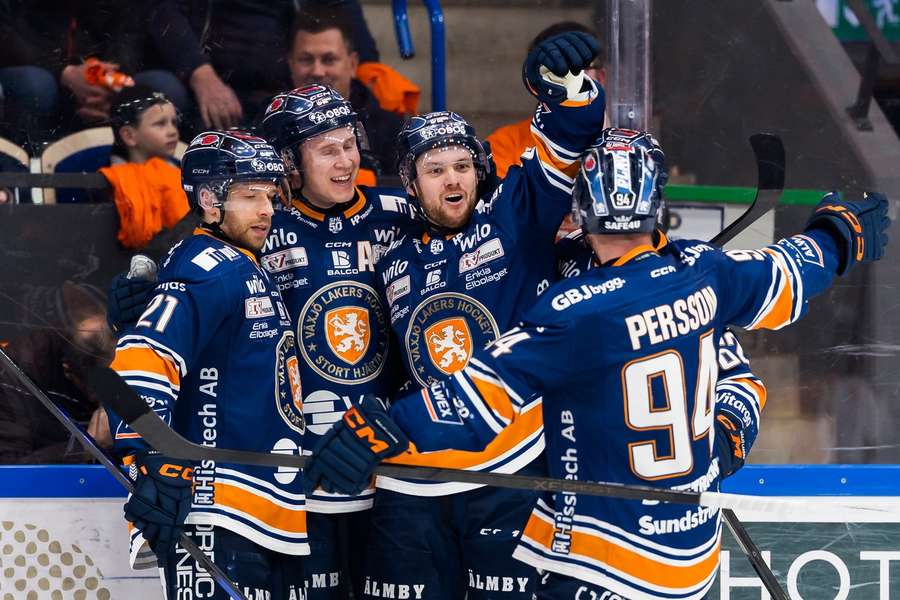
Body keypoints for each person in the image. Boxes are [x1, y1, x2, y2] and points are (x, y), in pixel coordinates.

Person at [305, 128, 891, 600]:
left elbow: (475, 400)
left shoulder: (575, 310)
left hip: (601, 554)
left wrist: (380, 429)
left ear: (582, 208)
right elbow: (791, 271)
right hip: (690, 551)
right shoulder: (705, 271)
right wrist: (837, 237)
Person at [325, 31, 606, 600]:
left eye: (462, 166)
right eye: (435, 170)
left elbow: (572, 132)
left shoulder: (516, 218)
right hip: (410, 480)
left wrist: (565, 86)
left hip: (510, 469)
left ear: (480, 171)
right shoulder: (389, 252)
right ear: (410, 183)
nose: (453, 179)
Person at [104, 131, 311, 598]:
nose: (267, 209)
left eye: (270, 196)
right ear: (209, 200)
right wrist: (151, 457)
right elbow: (138, 364)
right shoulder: (211, 267)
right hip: (216, 511)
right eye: (250, 196)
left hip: (260, 509)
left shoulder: (242, 264)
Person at [260, 83, 418, 599]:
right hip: (304, 469)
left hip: (394, 461)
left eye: (349, 144)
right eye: (328, 150)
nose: (346, 161)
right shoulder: (261, 226)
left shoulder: (401, 213)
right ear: (290, 161)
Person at [287, 6, 405, 177]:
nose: (317, 71)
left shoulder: (391, 132)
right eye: (306, 60)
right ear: (291, 64)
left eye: (329, 59)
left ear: (352, 64)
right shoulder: (269, 129)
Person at [486, 22, 607, 180]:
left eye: (577, 68)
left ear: (600, 78)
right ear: (535, 83)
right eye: (553, 71)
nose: (568, 79)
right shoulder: (505, 144)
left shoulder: (630, 143)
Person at [99, 86, 190, 249]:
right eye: (160, 124)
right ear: (129, 135)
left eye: (174, 122)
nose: (173, 131)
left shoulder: (183, 175)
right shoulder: (109, 181)